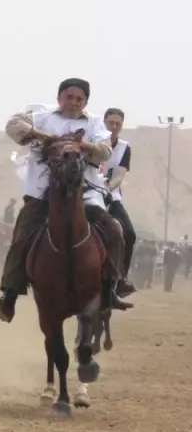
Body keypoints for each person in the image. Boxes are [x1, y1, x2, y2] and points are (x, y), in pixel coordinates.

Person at [0, 79, 128, 323]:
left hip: (84, 191)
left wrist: (82, 144)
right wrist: (42, 135)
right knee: (22, 233)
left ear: (85, 102)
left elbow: (105, 150)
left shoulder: (93, 123)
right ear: (60, 98)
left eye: (80, 99)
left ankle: (111, 287)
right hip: (43, 191)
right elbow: (13, 125)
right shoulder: (41, 115)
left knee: (114, 228)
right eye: (69, 97)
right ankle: (8, 297)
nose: (74, 102)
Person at [100, 108, 136, 294]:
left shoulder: (124, 148)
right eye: (110, 122)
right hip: (83, 192)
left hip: (110, 195)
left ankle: (121, 278)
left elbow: (119, 175)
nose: (114, 127)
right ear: (103, 122)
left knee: (129, 234)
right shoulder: (92, 139)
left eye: (118, 123)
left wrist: (107, 188)